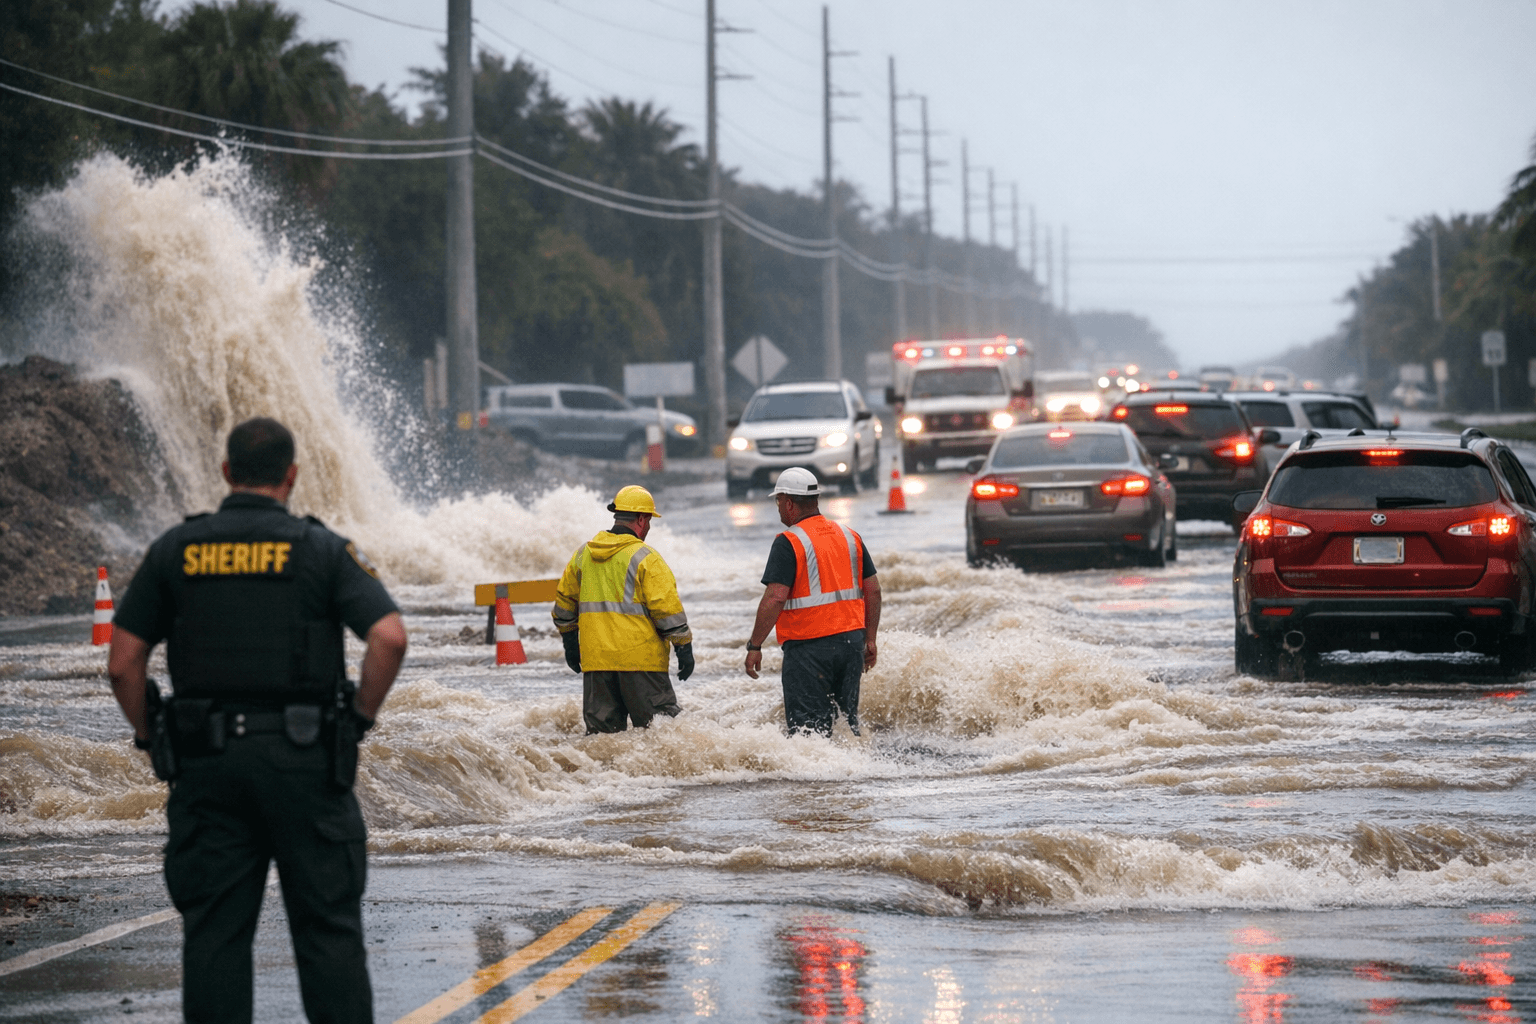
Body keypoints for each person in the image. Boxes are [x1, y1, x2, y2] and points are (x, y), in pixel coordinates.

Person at [107, 417, 408, 1024]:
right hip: (306, 765)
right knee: (328, 936)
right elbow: (389, 637)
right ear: (291, 476)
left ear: (225, 473)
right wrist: (355, 722)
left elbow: (122, 663)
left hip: (208, 766)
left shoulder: (176, 550)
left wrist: (150, 735)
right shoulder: (320, 548)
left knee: (215, 936)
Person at [743, 467, 881, 736]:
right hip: (852, 644)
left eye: (779, 501)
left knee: (808, 733)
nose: (779, 508)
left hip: (809, 648)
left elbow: (775, 597)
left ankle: (815, 778)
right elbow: (873, 591)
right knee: (846, 725)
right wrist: (870, 639)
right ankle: (852, 774)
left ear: (790, 503)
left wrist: (755, 645)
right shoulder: (849, 535)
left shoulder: (789, 541)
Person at [553, 485, 694, 733]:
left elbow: (564, 606)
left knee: (602, 742)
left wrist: (570, 644)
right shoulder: (646, 557)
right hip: (642, 664)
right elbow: (666, 609)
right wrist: (684, 646)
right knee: (661, 736)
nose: (648, 527)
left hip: (597, 665)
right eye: (648, 520)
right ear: (641, 518)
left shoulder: (582, 555)